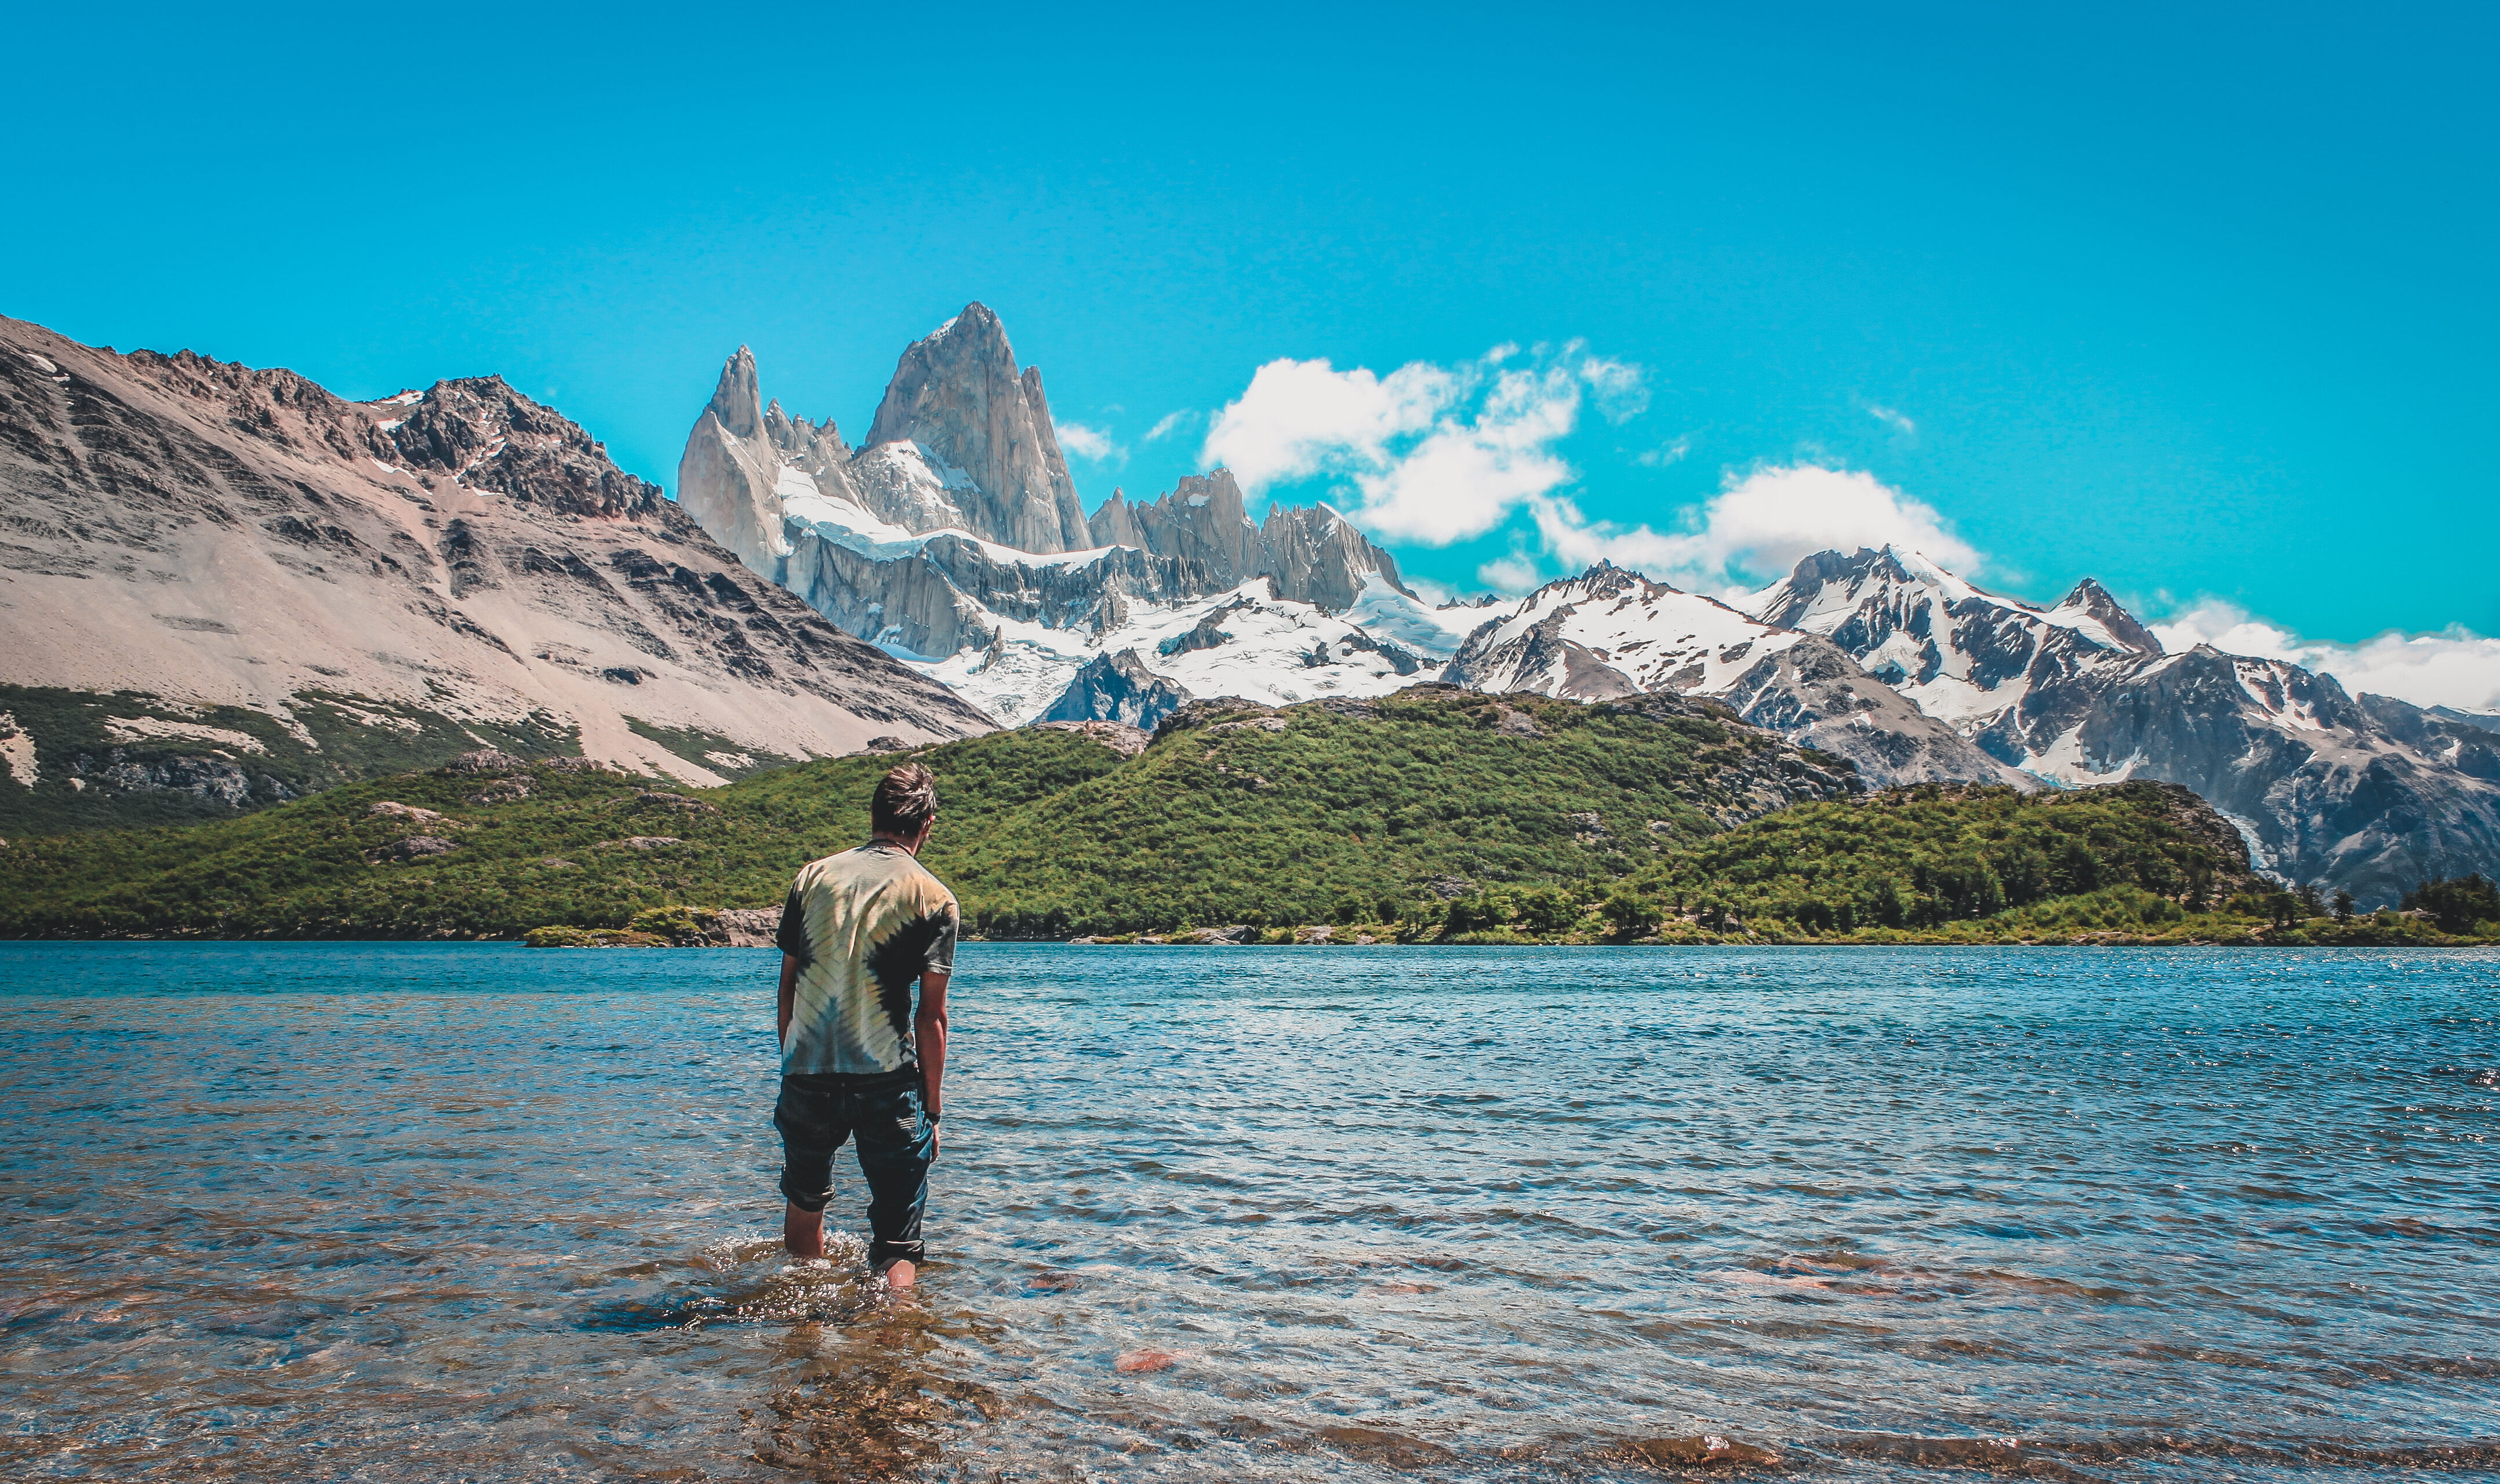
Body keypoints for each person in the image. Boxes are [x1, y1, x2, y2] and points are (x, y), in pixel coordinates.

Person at [772, 762, 958, 1290]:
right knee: (898, 1241)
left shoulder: (812, 878)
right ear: (928, 825)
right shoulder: (934, 897)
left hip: (807, 1069)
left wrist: (792, 1064)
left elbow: (788, 986)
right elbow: (931, 1016)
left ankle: (804, 1323)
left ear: (874, 815)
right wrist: (934, 1109)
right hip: (887, 1080)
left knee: (806, 1203)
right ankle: (898, 1345)